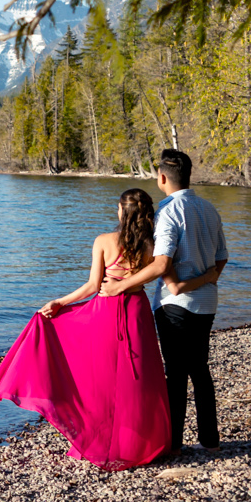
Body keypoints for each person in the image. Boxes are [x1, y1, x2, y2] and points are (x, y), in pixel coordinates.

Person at [0, 188, 171, 470]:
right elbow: (159, 270)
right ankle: (140, 444)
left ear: (121, 211)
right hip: (136, 311)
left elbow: (92, 287)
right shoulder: (152, 245)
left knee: (102, 378)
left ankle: (99, 442)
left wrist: (60, 302)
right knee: (139, 377)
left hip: (106, 313)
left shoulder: (104, 241)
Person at [100, 149, 227, 453]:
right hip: (207, 303)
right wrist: (199, 281)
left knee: (176, 373)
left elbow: (160, 263)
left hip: (175, 307)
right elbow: (221, 260)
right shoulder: (210, 209)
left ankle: (173, 443)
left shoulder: (168, 212)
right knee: (200, 369)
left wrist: (120, 287)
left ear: (162, 177)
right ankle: (210, 440)